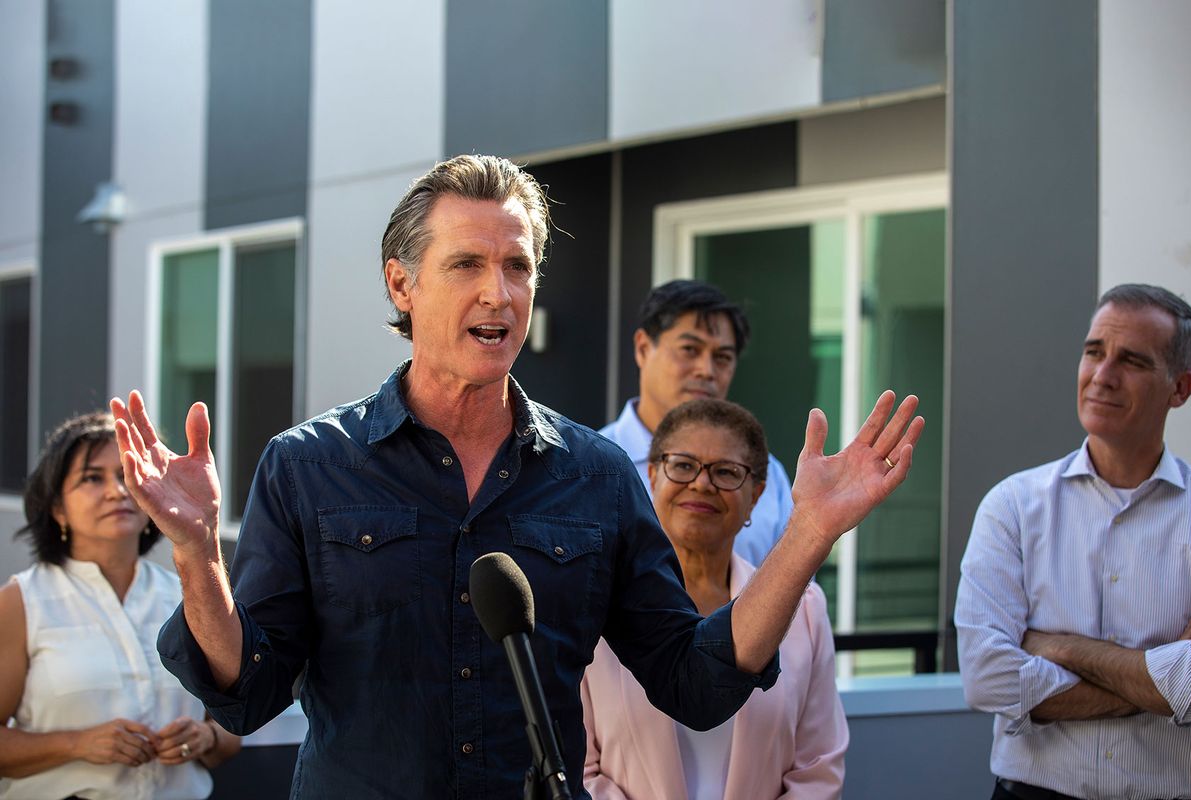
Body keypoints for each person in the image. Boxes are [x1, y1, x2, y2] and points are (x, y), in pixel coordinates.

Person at [111, 154, 922, 799]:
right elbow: (244, 692)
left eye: (518, 267)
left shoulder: (597, 474)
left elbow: (692, 681)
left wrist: (809, 533)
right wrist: (193, 552)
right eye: (466, 263)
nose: (498, 294)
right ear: (402, 283)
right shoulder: (309, 464)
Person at [956, 283, 1191, 800]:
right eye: (1094, 352)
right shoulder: (1012, 507)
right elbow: (985, 679)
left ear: (1180, 389)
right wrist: (1162, 683)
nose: (1102, 376)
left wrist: (1059, 648)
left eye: (1132, 361)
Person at [582, 398, 847, 799]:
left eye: (726, 472)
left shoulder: (805, 608)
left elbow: (818, 768)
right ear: (652, 476)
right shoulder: (596, 600)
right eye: (683, 465)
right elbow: (577, 768)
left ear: (756, 496)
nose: (702, 484)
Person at [0, 412, 240, 800]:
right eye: (92, 478)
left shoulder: (186, 597)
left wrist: (205, 737)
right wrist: (76, 744)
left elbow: (232, 726)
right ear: (57, 507)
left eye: (127, 476)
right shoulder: (22, 602)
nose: (117, 491)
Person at [599, 280, 794, 565]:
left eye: (722, 357)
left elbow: (797, 597)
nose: (706, 370)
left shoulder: (764, 474)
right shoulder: (590, 467)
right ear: (642, 348)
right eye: (690, 349)